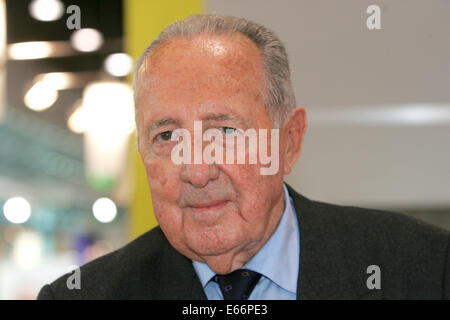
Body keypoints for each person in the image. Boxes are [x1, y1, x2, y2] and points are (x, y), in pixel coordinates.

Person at [37, 14, 450, 300]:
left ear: (289, 141)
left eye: (225, 131)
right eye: (166, 135)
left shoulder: (425, 269)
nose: (197, 170)